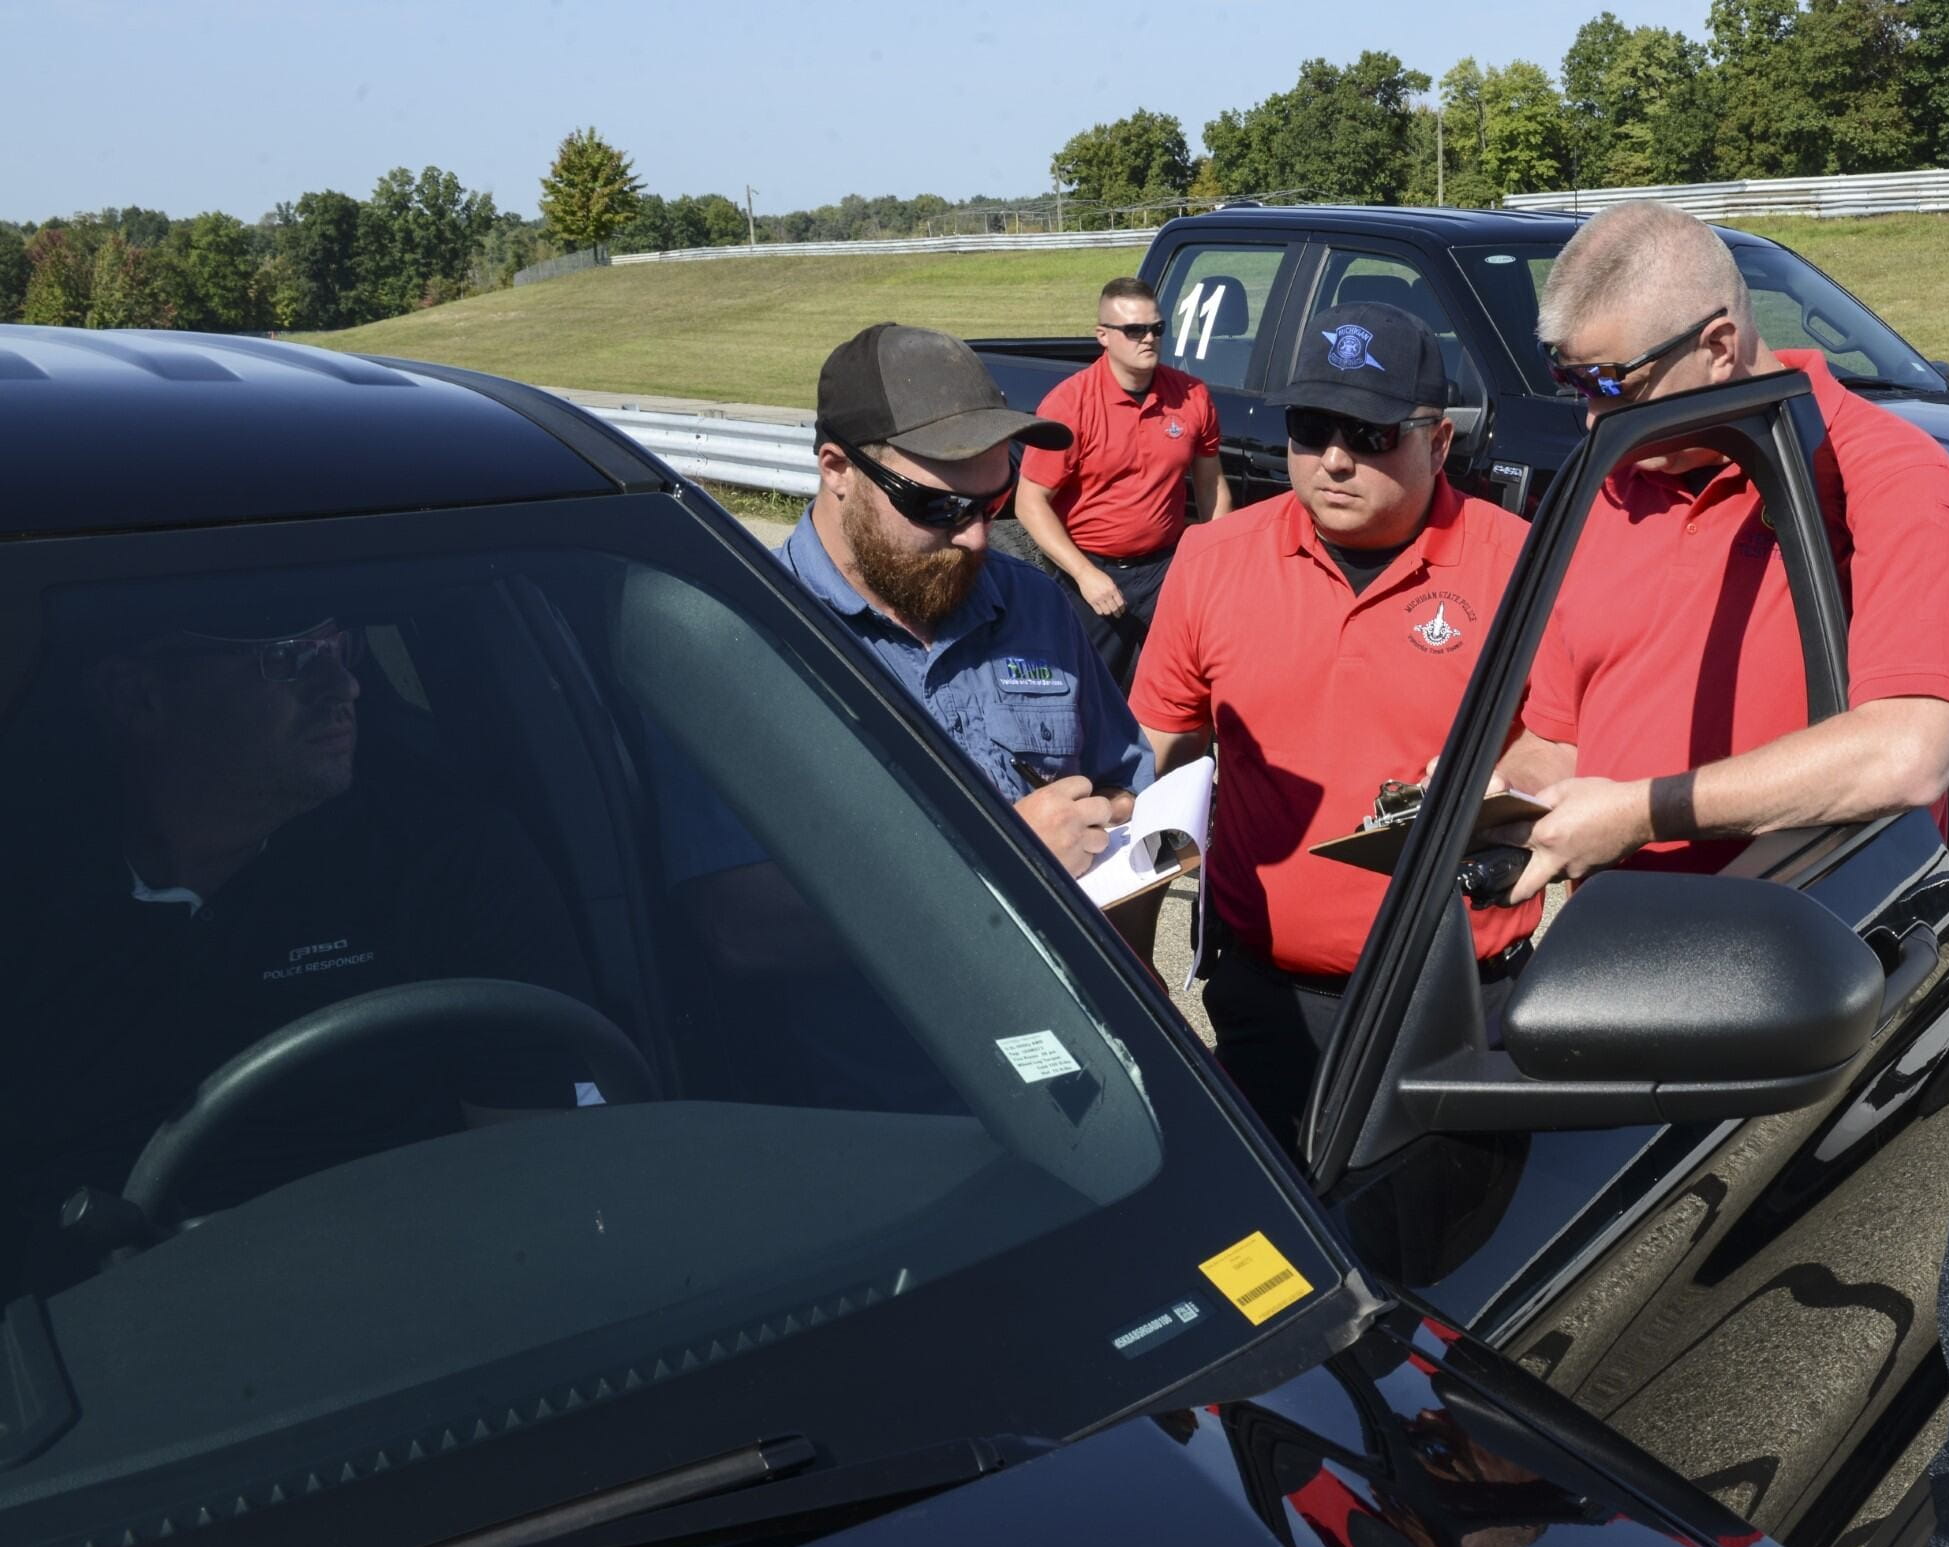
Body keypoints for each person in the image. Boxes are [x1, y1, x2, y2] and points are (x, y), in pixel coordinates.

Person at [657, 322, 1154, 1110]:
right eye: (938, 506)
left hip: (1079, 1065)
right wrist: (999, 863)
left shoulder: (1034, 606)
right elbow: (739, 927)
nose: (978, 536)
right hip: (885, 1105)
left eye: (995, 502)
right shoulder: (746, 643)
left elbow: (1127, 787)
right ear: (836, 470)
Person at [0, 610, 595, 1254]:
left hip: (395, 1294)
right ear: (138, 696)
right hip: (69, 1321)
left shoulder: (445, 865)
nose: (344, 687)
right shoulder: (30, 892)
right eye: (287, 658)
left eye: (340, 648)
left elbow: (543, 1191)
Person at [1490, 201, 1949, 900]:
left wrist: (1640, 813)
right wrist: (1500, 794)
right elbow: (1562, 740)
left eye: (1613, 385)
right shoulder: (1614, 482)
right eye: (1574, 385)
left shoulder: (1885, 474)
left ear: (1719, 347)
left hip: (1802, 953)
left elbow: (1906, 753)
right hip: (1611, 947)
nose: (1593, 416)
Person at [1128, 304, 1537, 1138]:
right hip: (1268, 1005)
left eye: (1371, 433)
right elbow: (1155, 770)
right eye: (1311, 429)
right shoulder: (1213, 561)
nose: (1336, 461)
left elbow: (1576, 757)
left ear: (1440, 441)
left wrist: (1503, 790)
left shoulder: (1521, 565)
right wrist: (1132, 961)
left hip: (1462, 1004)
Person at [1013, 276, 1231, 687]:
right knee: (1091, 695)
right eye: (1134, 330)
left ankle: (1177, 753)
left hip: (1167, 567)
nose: (1148, 338)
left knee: (1179, 687)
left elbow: (1210, 485)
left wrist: (1217, 563)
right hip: (1093, 573)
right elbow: (1030, 503)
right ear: (1104, 336)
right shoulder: (1070, 404)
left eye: (1156, 328)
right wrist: (1084, 574)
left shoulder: (1191, 395)